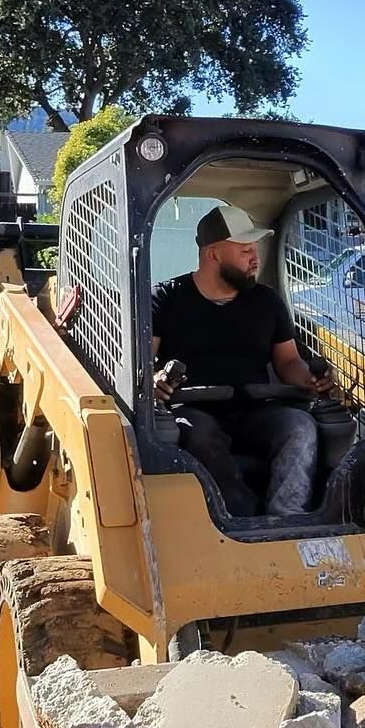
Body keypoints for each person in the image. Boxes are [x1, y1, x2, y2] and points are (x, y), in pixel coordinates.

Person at [152, 205, 332, 517]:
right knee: (198, 432)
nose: (254, 258)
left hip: (255, 410)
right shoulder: (167, 299)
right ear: (213, 255)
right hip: (196, 410)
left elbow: (288, 361)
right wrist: (153, 380)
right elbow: (146, 361)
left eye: (255, 249)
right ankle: (237, 518)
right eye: (245, 250)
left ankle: (287, 513)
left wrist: (307, 377)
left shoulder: (266, 302)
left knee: (299, 426)